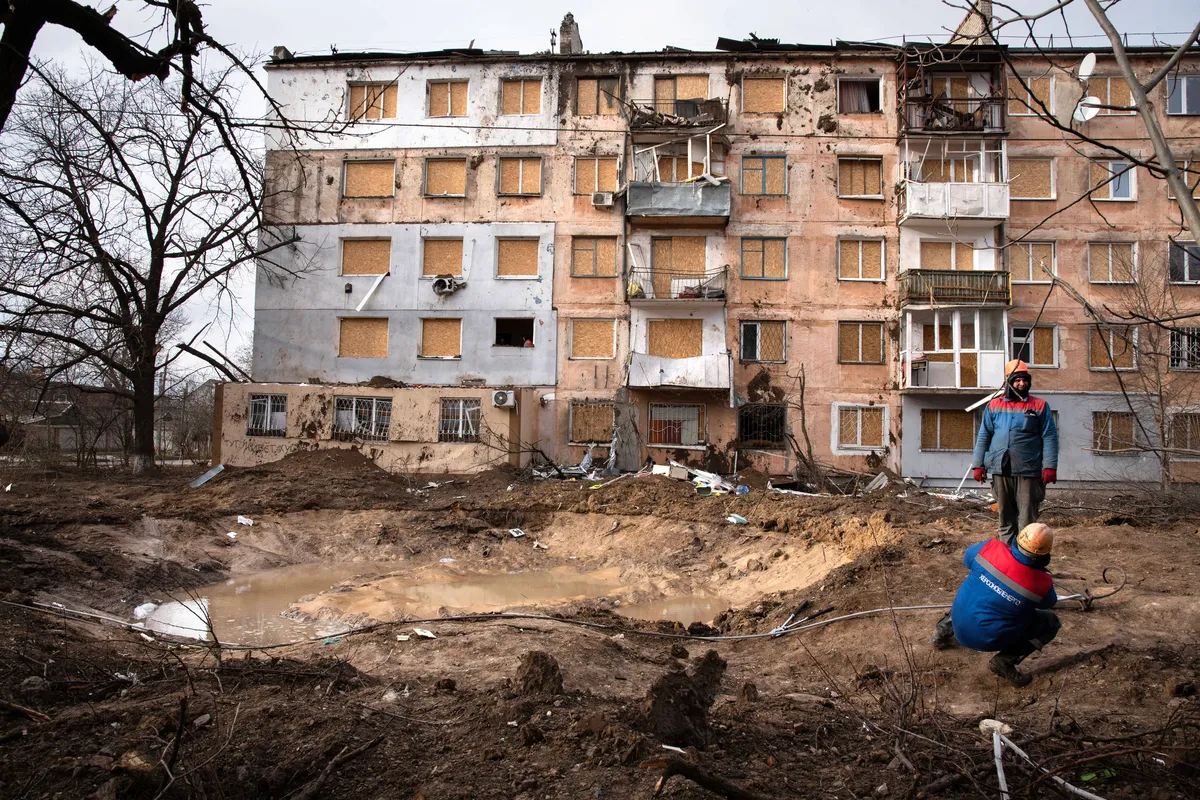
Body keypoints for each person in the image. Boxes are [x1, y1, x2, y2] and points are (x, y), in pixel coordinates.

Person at [930, 523, 1060, 688]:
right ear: (1045, 555)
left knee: (977, 593)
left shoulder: (990, 547)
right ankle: (1004, 661)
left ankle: (941, 631)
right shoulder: (1042, 583)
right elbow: (1049, 602)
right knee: (1050, 622)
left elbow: (967, 559)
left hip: (958, 623)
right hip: (989, 641)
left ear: (1017, 539)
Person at [971, 359, 1058, 544]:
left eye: (1025, 380)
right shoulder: (994, 405)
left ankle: (1025, 557)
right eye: (1017, 380)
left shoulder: (1040, 406)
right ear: (1008, 382)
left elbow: (1050, 436)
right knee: (1005, 517)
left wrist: (1050, 466)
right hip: (1000, 468)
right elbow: (984, 435)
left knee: (1027, 518)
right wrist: (978, 464)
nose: (1022, 384)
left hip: (1028, 469)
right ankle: (1007, 556)